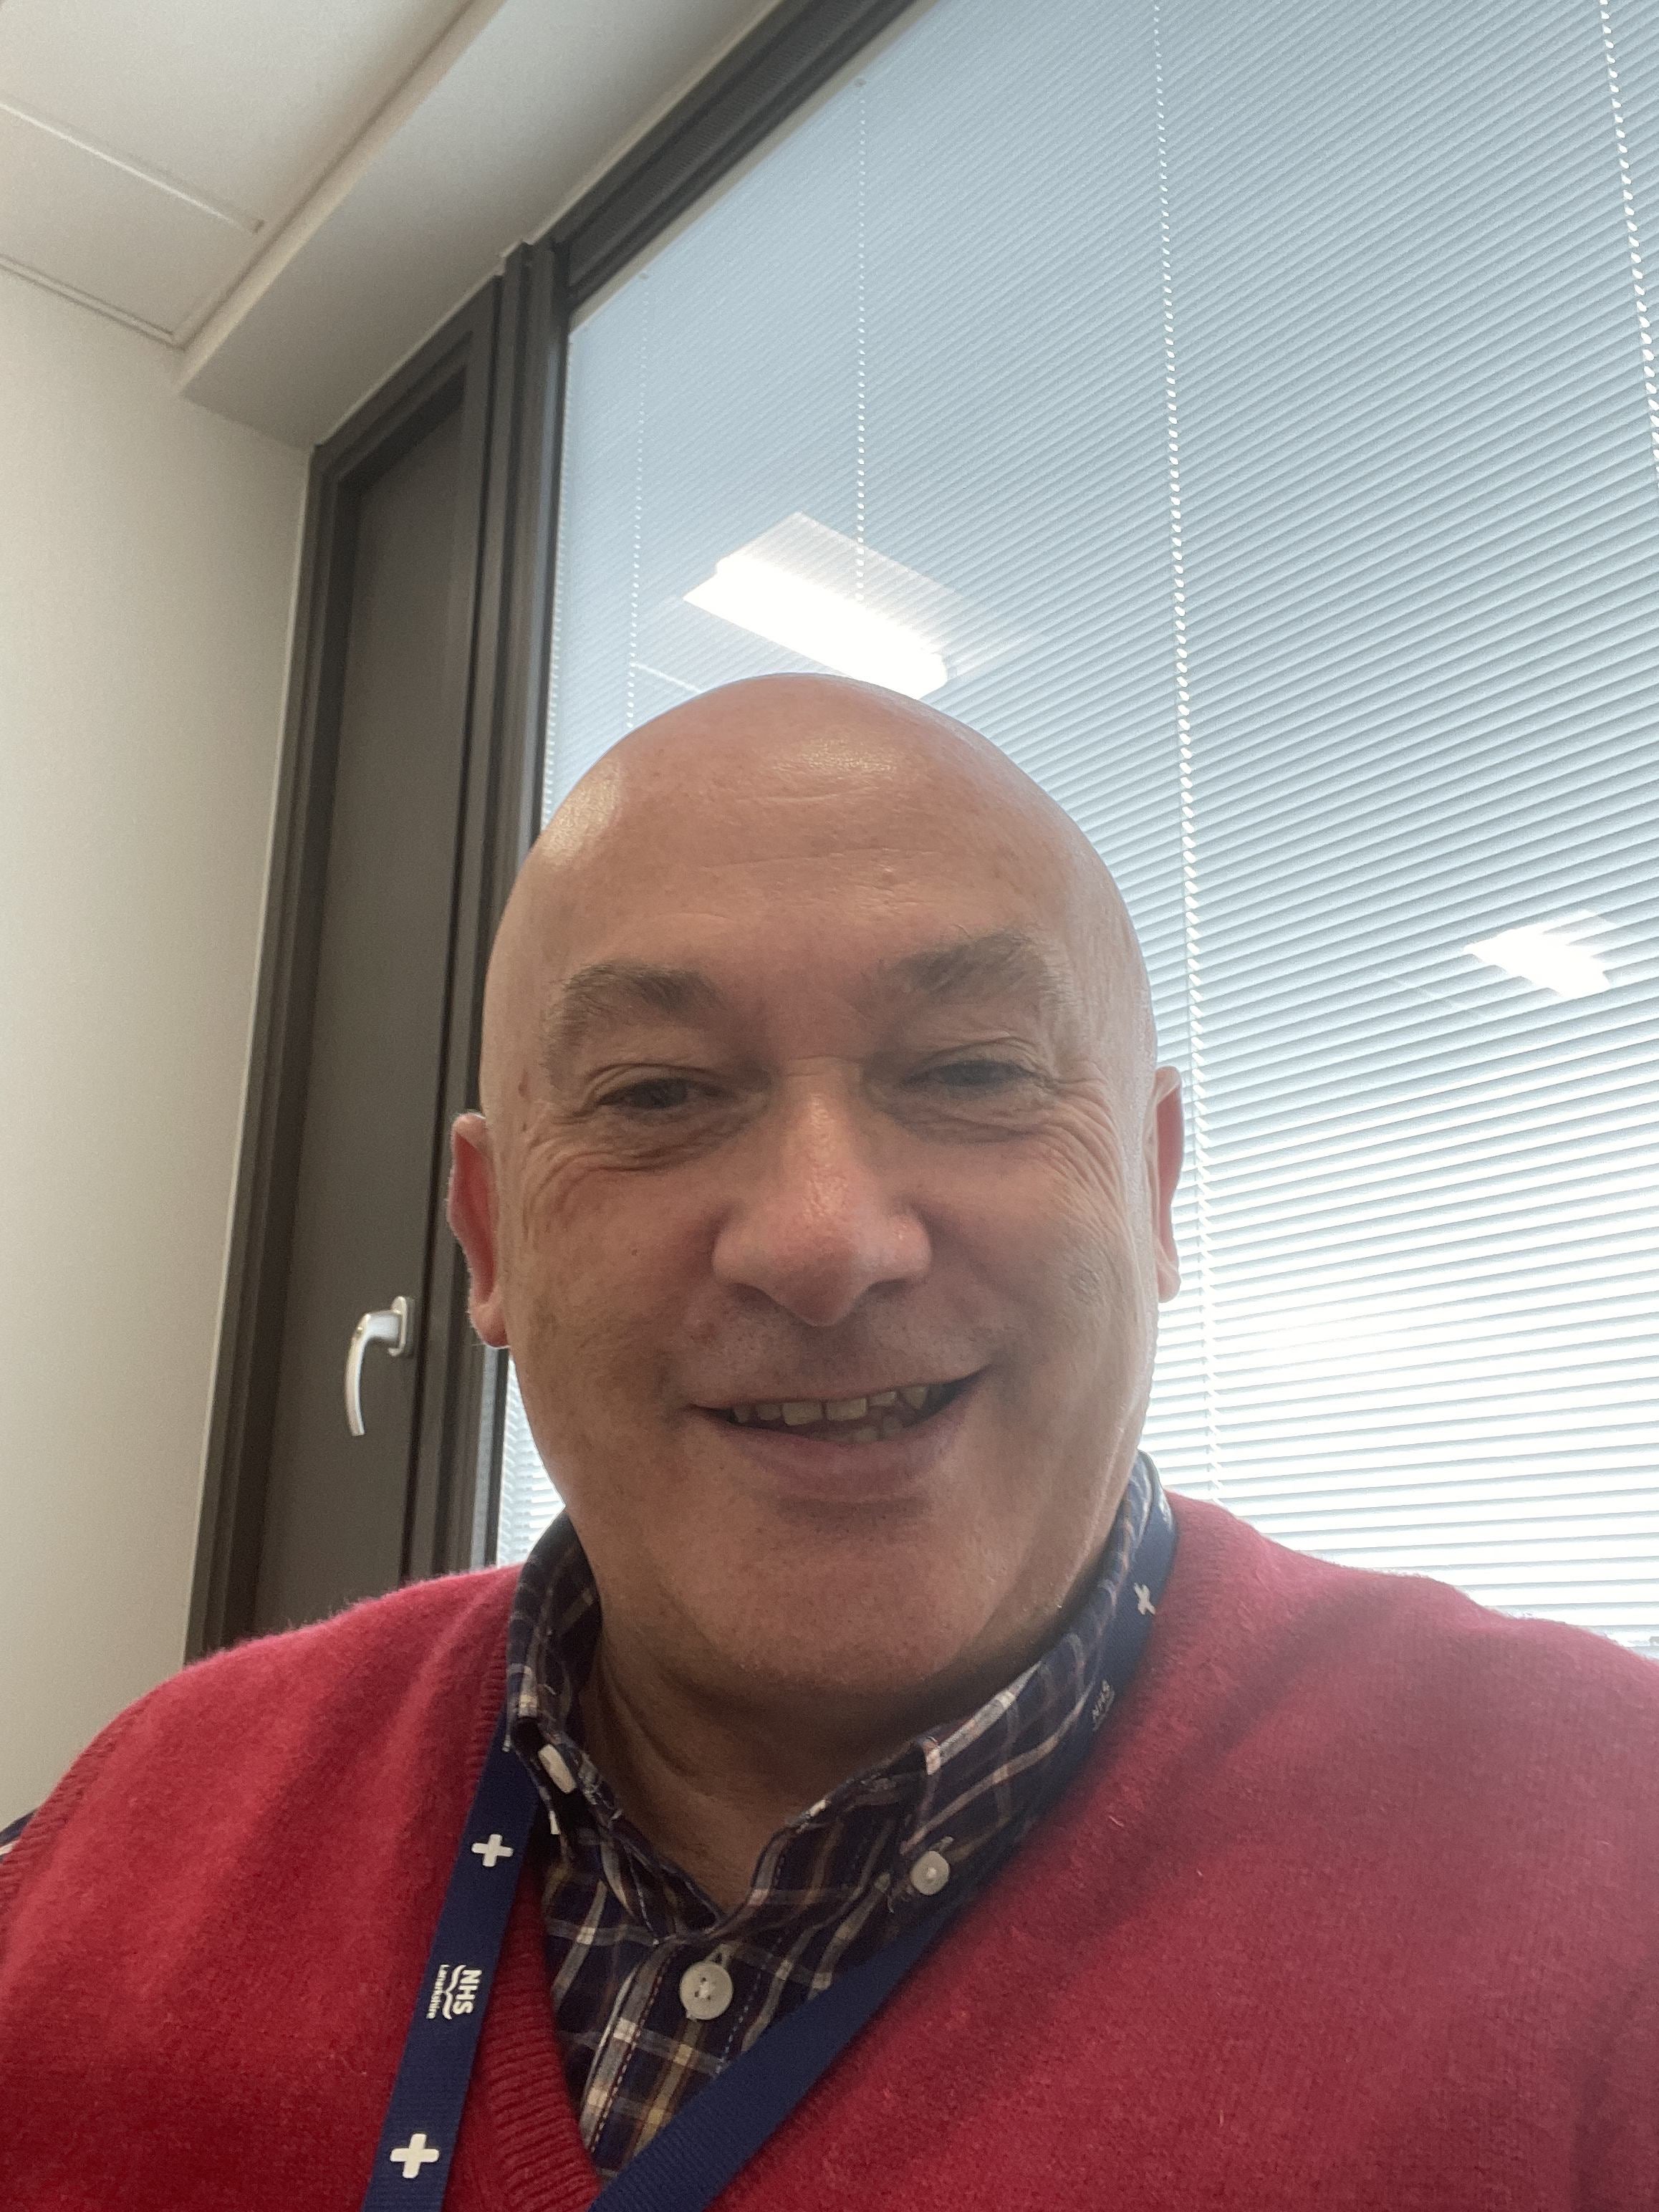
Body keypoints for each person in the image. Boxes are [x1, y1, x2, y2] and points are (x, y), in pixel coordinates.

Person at [1, 674, 1655, 2211]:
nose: (822, 1238)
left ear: (1153, 1189)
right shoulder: (131, 1839)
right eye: (657, 1094)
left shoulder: (1603, 1860)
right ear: (491, 1237)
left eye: (975, 1069)